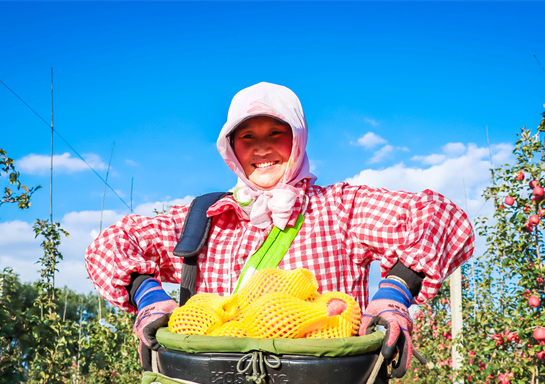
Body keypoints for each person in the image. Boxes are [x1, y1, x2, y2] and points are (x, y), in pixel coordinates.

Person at [85, 82, 474, 368]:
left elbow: (440, 217)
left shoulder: (338, 208)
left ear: (298, 139)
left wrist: (395, 293)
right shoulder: (205, 218)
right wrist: (149, 298)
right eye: (247, 137)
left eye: (276, 133)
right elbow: (109, 245)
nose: (261, 148)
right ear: (231, 149)